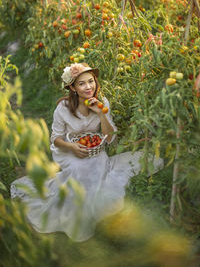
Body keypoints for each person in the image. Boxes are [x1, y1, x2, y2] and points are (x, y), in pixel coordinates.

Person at [10, 63, 163, 242]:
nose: (88, 87)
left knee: (96, 166)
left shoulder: (102, 103)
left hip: (95, 148)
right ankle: (76, 214)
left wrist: (100, 114)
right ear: (73, 88)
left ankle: (90, 209)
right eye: (81, 83)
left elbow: (110, 139)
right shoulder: (64, 108)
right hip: (67, 149)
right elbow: (56, 139)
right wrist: (73, 147)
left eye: (91, 81)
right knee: (78, 169)